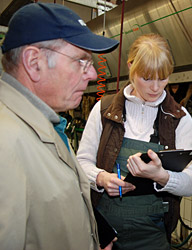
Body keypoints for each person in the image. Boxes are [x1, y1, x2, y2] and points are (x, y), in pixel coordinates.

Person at [0, 3, 119, 250]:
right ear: (34, 62)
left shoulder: (47, 127)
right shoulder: (6, 141)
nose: (93, 75)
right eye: (82, 61)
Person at [77, 33, 192, 250]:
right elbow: (81, 163)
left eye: (163, 78)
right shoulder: (104, 110)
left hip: (152, 235)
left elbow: (190, 184)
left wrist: (161, 176)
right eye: (147, 78)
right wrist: (102, 178)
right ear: (131, 67)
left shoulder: (179, 119)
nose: (155, 87)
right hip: (102, 232)